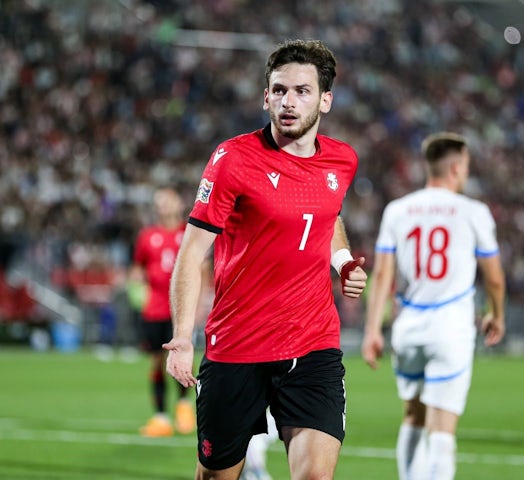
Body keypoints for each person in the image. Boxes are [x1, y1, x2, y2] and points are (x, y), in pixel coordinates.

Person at [163, 39, 367, 480]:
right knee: (217, 476)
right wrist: (182, 336)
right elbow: (192, 251)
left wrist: (344, 261)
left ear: (325, 100)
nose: (288, 102)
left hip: (313, 344)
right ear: (265, 96)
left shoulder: (342, 160)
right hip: (238, 348)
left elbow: (327, 214)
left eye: (301, 91)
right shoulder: (233, 159)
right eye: (279, 90)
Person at [361, 132, 506, 480]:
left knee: (412, 416)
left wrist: (371, 331)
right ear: (456, 168)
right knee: (442, 432)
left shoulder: (398, 210)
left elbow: (381, 275)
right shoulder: (473, 212)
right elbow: (495, 278)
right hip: (451, 329)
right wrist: (496, 315)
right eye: (466, 166)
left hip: (408, 327)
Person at [132, 187, 196, 437]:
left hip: (180, 307)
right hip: (155, 308)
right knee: (157, 361)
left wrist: (199, 302)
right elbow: (137, 268)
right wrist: (135, 288)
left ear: (178, 203)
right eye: (159, 202)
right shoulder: (148, 236)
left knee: (183, 357)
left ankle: (183, 406)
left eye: (167, 201)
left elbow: (200, 267)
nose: (163, 206)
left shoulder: (188, 232)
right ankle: (160, 417)